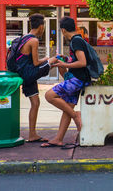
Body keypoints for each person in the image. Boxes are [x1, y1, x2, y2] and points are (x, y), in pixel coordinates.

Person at [42, 17, 90, 148]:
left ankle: (76, 116)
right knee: (67, 108)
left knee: (49, 95)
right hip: (78, 78)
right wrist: (67, 59)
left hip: (77, 79)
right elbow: (77, 59)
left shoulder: (76, 41)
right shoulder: (78, 40)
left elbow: (82, 62)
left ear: (63, 30)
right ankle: (58, 138)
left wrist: (63, 64)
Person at [16, 14, 58, 143]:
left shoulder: (23, 37)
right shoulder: (33, 40)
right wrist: (47, 60)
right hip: (28, 74)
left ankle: (32, 134)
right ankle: (32, 134)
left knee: (35, 103)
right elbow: (35, 63)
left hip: (22, 73)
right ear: (41, 27)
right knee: (53, 61)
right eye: (44, 26)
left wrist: (45, 60)